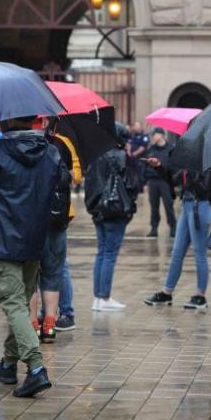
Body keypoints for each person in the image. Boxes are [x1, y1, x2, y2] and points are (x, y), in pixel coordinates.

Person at [0, 115, 60, 398]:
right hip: (34, 238)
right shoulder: (50, 152)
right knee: (20, 301)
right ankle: (7, 363)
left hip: (2, 238)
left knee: (14, 304)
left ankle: (36, 368)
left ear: (5, 122)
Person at [28, 122, 81, 342]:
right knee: (51, 271)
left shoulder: (14, 142)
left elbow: (76, 174)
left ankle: (36, 325)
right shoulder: (61, 143)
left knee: (32, 274)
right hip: (54, 216)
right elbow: (75, 175)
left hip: (36, 218)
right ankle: (46, 324)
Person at [84, 126, 138, 311]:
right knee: (109, 254)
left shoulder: (95, 155)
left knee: (102, 252)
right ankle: (104, 298)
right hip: (115, 209)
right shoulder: (121, 156)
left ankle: (98, 298)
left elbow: (89, 184)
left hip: (98, 209)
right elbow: (131, 184)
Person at [144, 168, 211, 309]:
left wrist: (192, 176)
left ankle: (201, 296)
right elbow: (173, 180)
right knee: (177, 252)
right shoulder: (188, 159)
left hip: (200, 205)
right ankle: (166, 292)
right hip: (187, 204)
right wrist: (160, 168)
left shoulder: (206, 160)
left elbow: (208, 187)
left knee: (199, 254)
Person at [143, 129, 176, 238]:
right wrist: (145, 183)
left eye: (155, 135)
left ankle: (173, 227)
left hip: (165, 181)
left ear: (161, 135)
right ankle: (154, 228)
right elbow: (145, 166)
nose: (153, 137)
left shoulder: (170, 148)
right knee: (154, 206)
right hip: (152, 181)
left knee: (168, 205)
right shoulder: (151, 149)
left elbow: (173, 166)